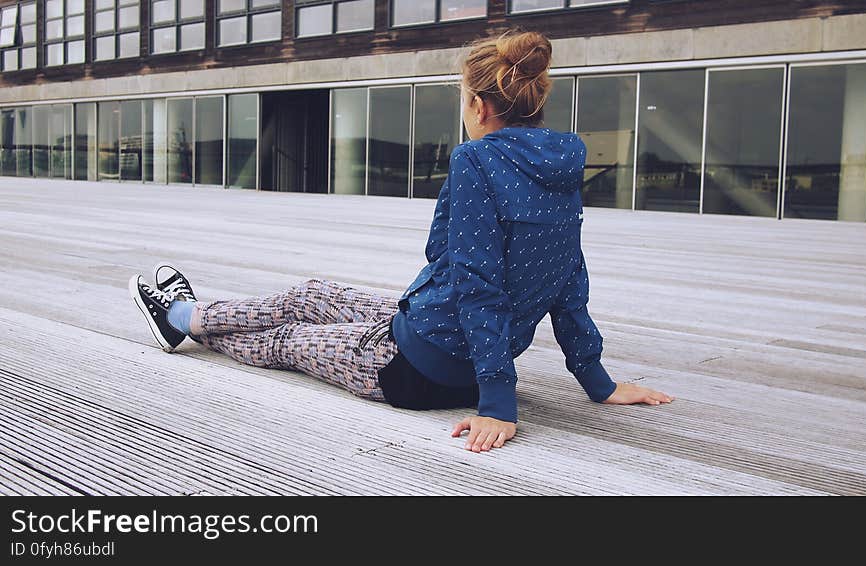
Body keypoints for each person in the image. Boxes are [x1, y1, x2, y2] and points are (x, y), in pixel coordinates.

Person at [129, 29, 673, 455]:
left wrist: (499, 407)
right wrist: (598, 382)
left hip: (415, 368)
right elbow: (568, 283)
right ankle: (195, 314)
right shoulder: (560, 167)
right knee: (311, 293)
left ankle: (180, 323)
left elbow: (473, 281)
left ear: (480, 108)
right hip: (433, 329)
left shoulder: (475, 160)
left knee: (288, 339)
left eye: (462, 99)